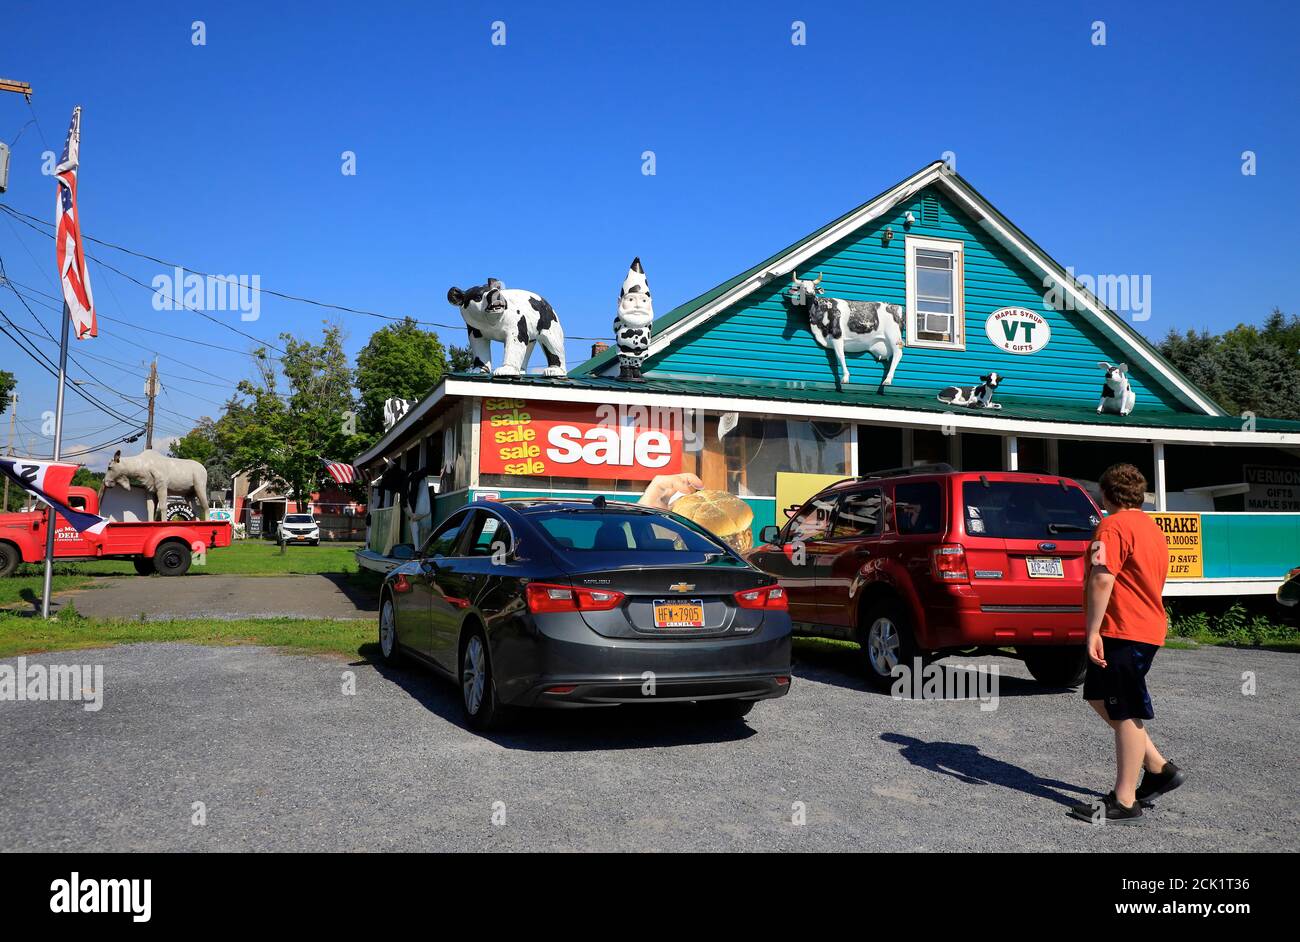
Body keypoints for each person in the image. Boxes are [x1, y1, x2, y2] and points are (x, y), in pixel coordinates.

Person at [1068, 463, 1187, 824]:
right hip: (1141, 628)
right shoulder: (1152, 529)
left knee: (1124, 711)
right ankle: (1159, 769)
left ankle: (1124, 800)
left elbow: (1102, 580)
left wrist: (1092, 632)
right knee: (1099, 697)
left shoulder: (1111, 526)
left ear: (1105, 495)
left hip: (1124, 631)